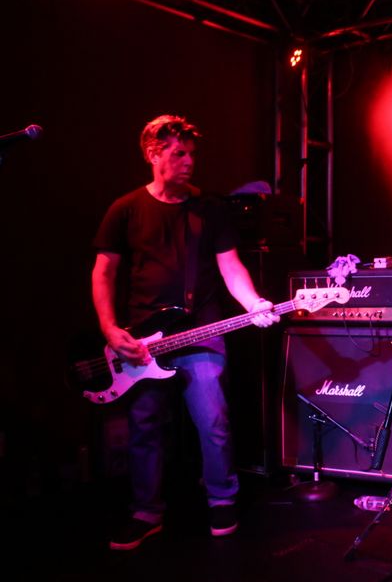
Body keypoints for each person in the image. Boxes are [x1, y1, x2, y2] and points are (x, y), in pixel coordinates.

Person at [92, 115, 279, 550]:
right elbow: (103, 273)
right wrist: (110, 328)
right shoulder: (125, 209)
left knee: (213, 419)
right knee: (145, 424)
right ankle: (146, 511)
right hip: (141, 338)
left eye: (192, 154)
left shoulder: (209, 208)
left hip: (201, 329)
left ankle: (222, 499)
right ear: (152, 154)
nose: (189, 161)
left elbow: (231, 267)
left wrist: (253, 303)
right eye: (179, 153)